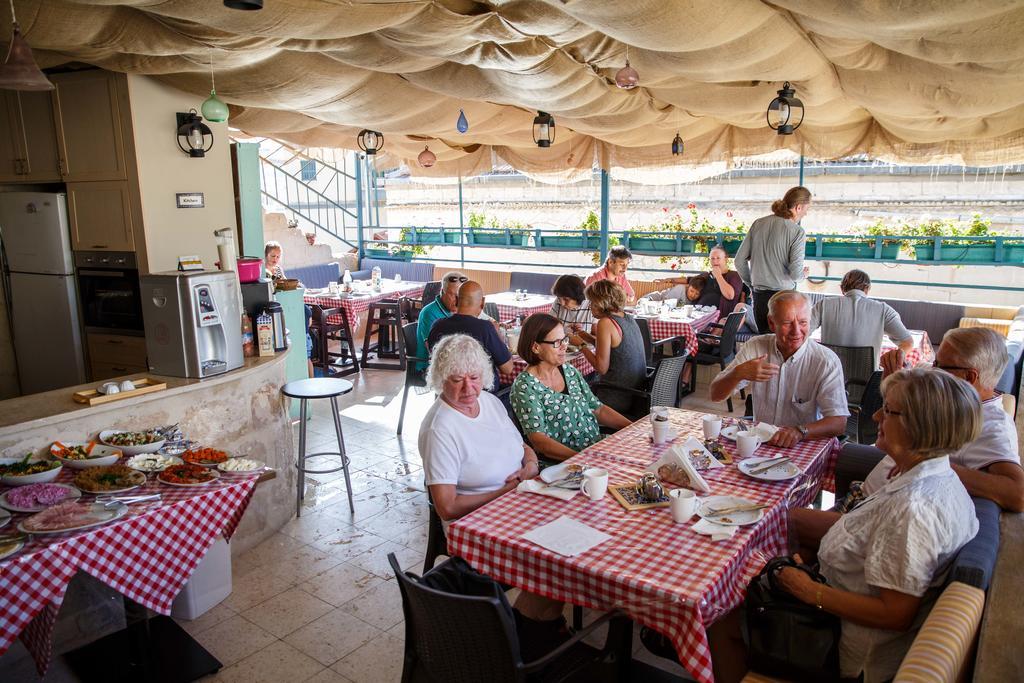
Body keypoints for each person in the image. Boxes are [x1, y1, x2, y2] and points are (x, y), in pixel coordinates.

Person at [720, 369, 982, 683]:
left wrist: (809, 591)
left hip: (839, 648)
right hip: (836, 609)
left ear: (920, 426)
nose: (874, 416)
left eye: (887, 410)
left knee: (721, 620)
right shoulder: (934, 476)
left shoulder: (913, 510)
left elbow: (895, 614)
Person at [862, 326, 1023, 511]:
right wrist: (893, 381)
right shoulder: (952, 404)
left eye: (939, 366)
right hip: (869, 498)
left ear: (969, 377)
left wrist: (925, 464)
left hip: (881, 512)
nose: (932, 370)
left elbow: (1018, 494)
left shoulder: (991, 425)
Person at [419, 334, 539, 529]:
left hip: (518, 501)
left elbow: (522, 446)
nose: (469, 388)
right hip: (478, 522)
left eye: (474, 377)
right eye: (457, 380)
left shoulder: (489, 401)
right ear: (441, 379)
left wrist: (531, 466)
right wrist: (507, 491)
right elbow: (447, 507)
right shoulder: (439, 429)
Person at [709, 290, 848, 447]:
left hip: (804, 445)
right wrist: (738, 373)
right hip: (761, 444)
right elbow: (715, 395)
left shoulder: (825, 361)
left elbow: (839, 422)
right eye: (787, 323)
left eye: (803, 322)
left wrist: (800, 431)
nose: (796, 331)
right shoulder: (756, 346)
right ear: (771, 323)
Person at [511, 313, 631, 461]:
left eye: (565, 340)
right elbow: (539, 441)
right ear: (536, 347)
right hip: (565, 464)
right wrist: (583, 459)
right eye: (557, 342)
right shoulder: (525, 387)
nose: (564, 346)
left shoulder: (568, 370)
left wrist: (634, 428)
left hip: (595, 448)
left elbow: (597, 408)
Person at [734, 186, 810, 333]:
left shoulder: (758, 223)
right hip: (783, 299)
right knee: (782, 348)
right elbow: (795, 274)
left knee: (765, 345)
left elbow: (739, 261)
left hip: (760, 297)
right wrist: (804, 275)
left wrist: (751, 284)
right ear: (798, 207)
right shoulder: (797, 232)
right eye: (807, 208)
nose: (807, 213)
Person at [569, 280, 647, 417]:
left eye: (592, 303)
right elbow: (617, 349)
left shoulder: (605, 323)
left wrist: (580, 345)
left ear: (601, 303)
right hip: (635, 393)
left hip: (614, 397)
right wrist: (586, 337)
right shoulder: (627, 317)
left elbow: (601, 368)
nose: (590, 307)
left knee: (568, 396)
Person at [810, 269, 914, 367]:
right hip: (868, 381)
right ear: (867, 289)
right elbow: (908, 342)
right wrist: (893, 358)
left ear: (842, 289)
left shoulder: (824, 304)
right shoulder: (883, 310)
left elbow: (802, 333)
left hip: (829, 378)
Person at [427, 281, 514, 389]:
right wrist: (498, 335)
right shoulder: (485, 328)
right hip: (480, 396)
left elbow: (434, 360)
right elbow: (508, 369)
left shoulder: (437, 326)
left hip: (447, 393)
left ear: (457, 300)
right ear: (482, 303)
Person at [651, 246, 744, 318]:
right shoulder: (707, 275)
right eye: (712, 258)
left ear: (726, 259)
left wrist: (719, 276)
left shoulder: (734, 275)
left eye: (718, 258)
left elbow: (730, 295)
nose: (715, 261)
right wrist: (669, 280)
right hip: (697, 314)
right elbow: (689, 280)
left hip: (718, 317)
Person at [414, 271, 467, 369]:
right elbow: (435, 351)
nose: (458, 300)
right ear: (442, 292)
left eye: (461, 296)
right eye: (453, 295)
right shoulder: (429, 312)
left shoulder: (463, 309)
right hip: (429, 367)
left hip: (454, 363)